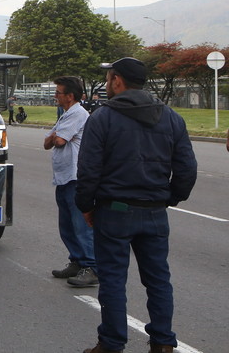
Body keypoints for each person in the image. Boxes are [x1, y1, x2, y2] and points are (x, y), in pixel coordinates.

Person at [76, 58, 197, 353]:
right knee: (158, 280)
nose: (107, 85)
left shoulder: (102, 118)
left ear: (117, 81)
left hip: (114, 210)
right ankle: (163, 343)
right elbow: (187, 170)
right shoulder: (171, 118)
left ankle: (112, 343)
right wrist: (169, 198)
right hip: (155, 211)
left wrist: (86, 206)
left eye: (109, 79)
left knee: (114, 280)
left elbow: (89, 170)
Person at [44, 76, 96, 287]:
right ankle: (76, 260)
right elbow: (48, 142)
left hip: (75, 177)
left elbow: (59, 140)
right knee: (66, 225)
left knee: (80, 225)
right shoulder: (65, 115)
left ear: (70, 96)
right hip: (63, 177)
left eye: (58, 93)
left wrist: (56, 136)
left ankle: (91, 266)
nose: (55, 96)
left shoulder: (77, 114)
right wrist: (55, 136)